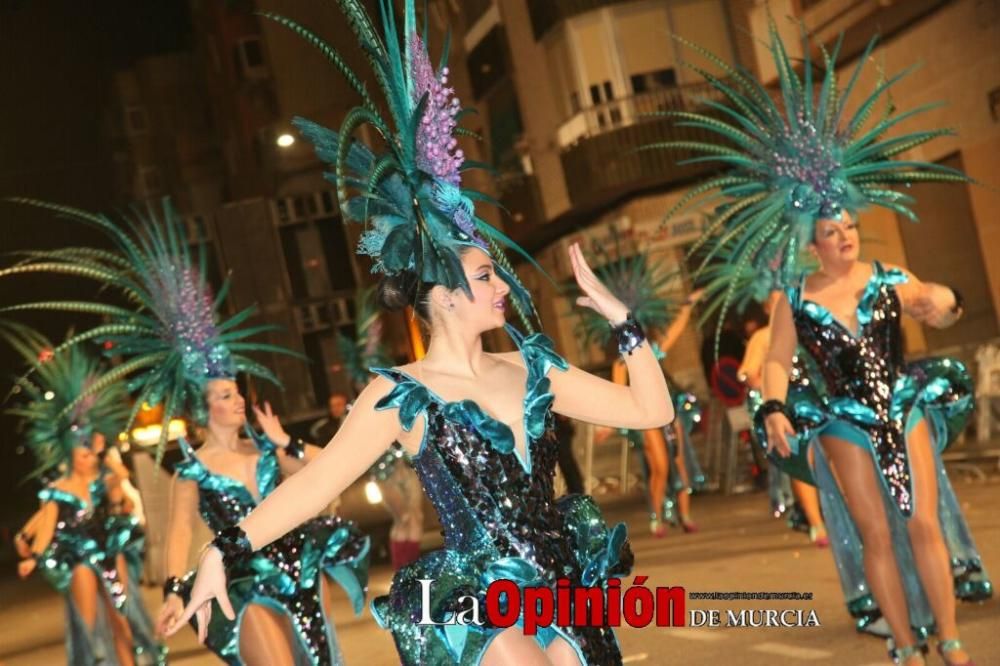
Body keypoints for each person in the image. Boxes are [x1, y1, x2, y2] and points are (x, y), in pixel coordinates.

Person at [167, 3, 673, 664]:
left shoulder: (532, 369)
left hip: (565, 591)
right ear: (441, 290)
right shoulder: (401, 396)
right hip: (483, 603)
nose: (502, 287)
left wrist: (624, 326)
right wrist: (220, 552)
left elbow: (650, 409)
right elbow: (313, 489)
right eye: (486, 274)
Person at [656, 18, 992, 665]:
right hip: (842, 421)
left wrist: (947, 303)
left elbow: (935, 303)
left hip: (903, 401)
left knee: (922, 521)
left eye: (850, 226)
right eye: (833, 231)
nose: (846, 237)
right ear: (811, 243)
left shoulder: (888, 276)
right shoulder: (797, 299)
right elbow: (778, 361)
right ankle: (903, 644)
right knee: (875, 533)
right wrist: (776, 406)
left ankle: (947, 639)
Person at [0, 202, 371, 665]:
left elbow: (333, 472)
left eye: (237, 392)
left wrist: (286, 442)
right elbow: (178, 534)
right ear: (202, 409)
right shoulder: (192, 472)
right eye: (224, 395)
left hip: (300, 579)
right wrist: (175, 590)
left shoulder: (268, 450)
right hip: (244, 585)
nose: (237, 400)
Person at [3, 333, 164, 665]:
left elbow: (127, 508)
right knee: (88, 622)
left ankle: (133, 659)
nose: (86, 456)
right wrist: (33, 555)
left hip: (111, 549)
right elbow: (46, 524)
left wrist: (117, 478)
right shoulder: (57, 489)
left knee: (124, 620)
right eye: (80, 452)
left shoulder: (106, 477)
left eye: (89, 450)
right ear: (68, 453)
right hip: (78, 558)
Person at [739, 291, 829, 547]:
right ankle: (816, 523)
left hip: (820, 400)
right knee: (804, 462)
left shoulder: (811, 326)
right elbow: (746, 372)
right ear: (768, 308)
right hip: (789, 405)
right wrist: (761, 384)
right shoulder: (763, 336)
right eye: (776, 301)